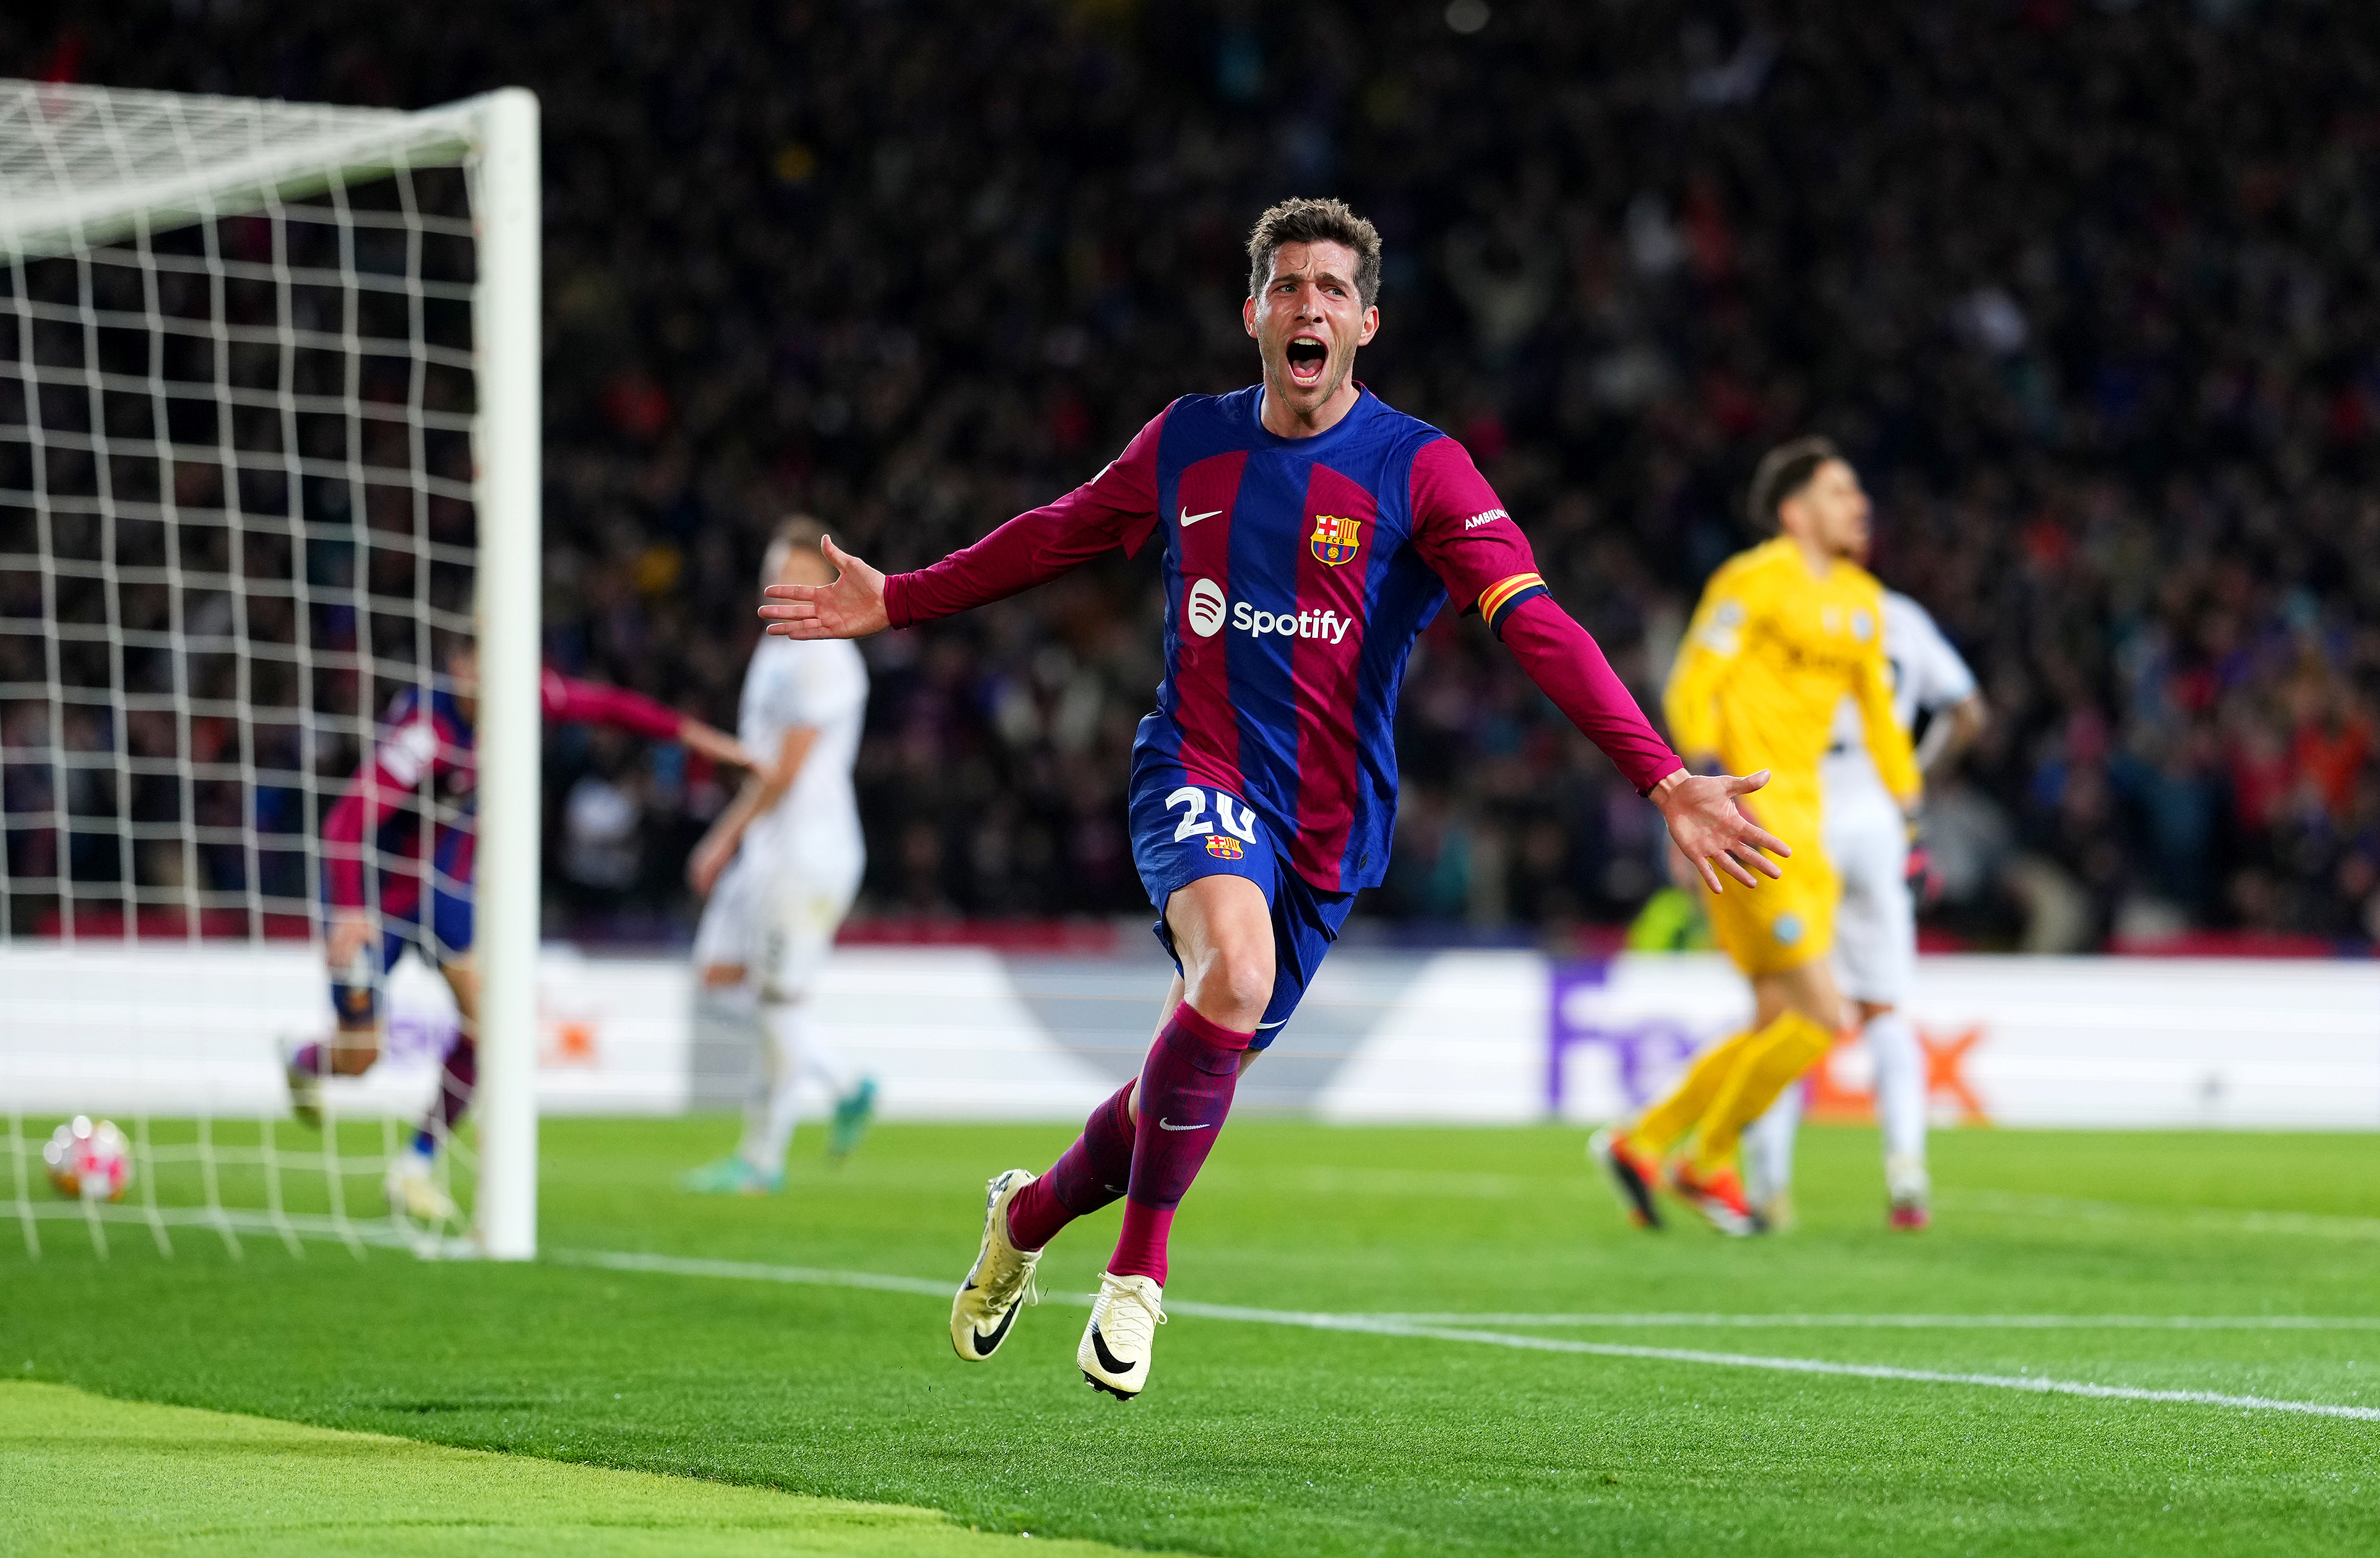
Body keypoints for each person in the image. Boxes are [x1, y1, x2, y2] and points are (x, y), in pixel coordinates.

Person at [759, 197, 1785, 1400]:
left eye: (1332, 289)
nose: (1309, 305)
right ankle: (1138, 1274)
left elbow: (1536, 622)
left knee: (1179, 1090)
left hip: (1331, 827)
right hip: (1195, 768)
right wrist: (905, 598)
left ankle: (1026, 1216)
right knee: (1233, 975)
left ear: (1367, 322)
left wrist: (1661, 773)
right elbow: (1057, 534)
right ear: (1253, 312)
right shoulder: (1190, 440)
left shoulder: (1421, 468)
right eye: (1288, 285)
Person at [286, 642, 749, 1222]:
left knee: (489, 1026)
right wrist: (352, 908)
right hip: (374, 897)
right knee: (360, 1058)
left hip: (443, 893)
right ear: (460, 667)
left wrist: (696, 738)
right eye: (487, 663)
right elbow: (347, 819)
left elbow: (611, 708)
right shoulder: (426, 733)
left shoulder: (522, 698)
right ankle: (303, 1060)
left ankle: (414, 1167)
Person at [1590, 437, 1923, 1236]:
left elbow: (1879, 719)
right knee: (1822, 1013)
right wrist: (1700, 789)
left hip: (1811, 832)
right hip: (1753, 825)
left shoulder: (1862, 600)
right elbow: (1693, 685)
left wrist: (1910, 815)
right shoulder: (1751, 582)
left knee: (1779, 1017)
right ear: (1794, 511)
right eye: (1839, 491)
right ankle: (1704, 1158)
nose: (1859, 505)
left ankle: (1645, 1142)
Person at [1744, 588, 1986, 1230]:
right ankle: (1907, 1169)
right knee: (1885, 1009)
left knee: (1784, 1008)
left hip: (1801, 811)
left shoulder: (1786, 605)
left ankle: (1768, 1186)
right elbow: (1968, 711)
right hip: (1878, 816)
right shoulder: (1902, 616)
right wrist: (1911, 776)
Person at [681, 516, 877, 1194]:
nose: (784, 584)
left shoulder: (825, 656)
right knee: (720, 979)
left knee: (777, 1001)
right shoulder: (778, 647)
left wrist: (723, 836)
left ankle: (763, 1157)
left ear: (827, 584)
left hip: (805, 851)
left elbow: (786, 770)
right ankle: (840, 1080)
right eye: (777, 571)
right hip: (769, 848)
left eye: (800, 575)